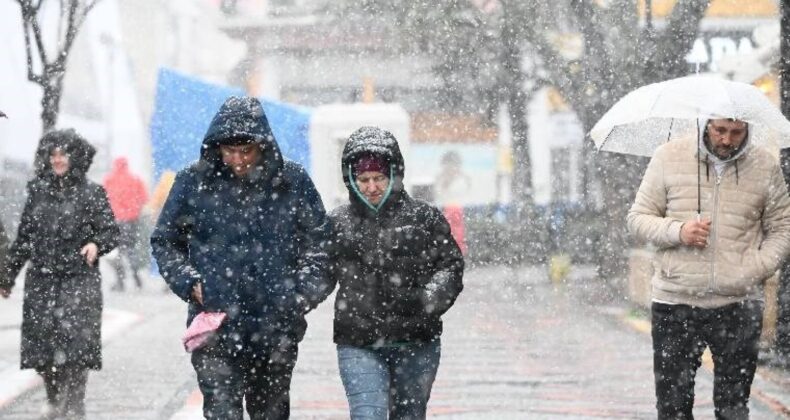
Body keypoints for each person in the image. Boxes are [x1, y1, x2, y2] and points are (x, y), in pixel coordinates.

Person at [151, 96, 333, 420]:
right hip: (215, 325)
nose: (237, 160)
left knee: (271, 413)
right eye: (229, 150)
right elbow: (165, 241)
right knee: (222, 412)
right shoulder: (192, 182)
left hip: (275, 328)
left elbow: (322, 246)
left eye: (246, 150)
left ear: (262, 145)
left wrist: (297, 296)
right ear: (216, 146)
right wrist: (190, 283)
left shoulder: (292, 182)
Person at [628, 118, 790, 419]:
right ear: (706, 124)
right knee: (673, 409)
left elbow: (783, 227)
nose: (727, 140)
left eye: (736, 132)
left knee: (733, 409)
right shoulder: (668, 156)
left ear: (747, 128)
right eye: (720, 131)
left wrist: (757, 267)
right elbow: (638, 219)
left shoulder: (765, 165)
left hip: (738, 303)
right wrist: (678, 231)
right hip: (676, 301)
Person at [328, 126, 464, 420]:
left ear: (393, 176)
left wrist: (429, 300)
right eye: (363, 179)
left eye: (379, 178)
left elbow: (450, 266)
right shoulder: (337, 224)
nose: (372, 187)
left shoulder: (424, 218)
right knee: (368, 415)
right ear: (351, 180)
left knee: (410, 415)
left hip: (416, 343)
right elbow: (316, 271)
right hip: (358, 343)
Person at [0, 129, 119, 420]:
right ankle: (54, 397)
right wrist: (7, 276)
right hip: (42, 280)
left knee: (76, 346)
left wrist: (96, 244)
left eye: (62, 154)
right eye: (52, 154)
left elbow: (110, 231)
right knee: (43, 347)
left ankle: (75, 401)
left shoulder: (92, 193)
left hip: (79, 279)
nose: (57, 160)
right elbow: (24, 239)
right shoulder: (37, 192)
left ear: (75, 156)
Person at [103, 157, 148, 291]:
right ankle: (135, 276)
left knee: (115, 252)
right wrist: (134, 208)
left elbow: (101, 200)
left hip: (114, 222)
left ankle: (120, 280)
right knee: (131, 250)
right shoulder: (135, 179)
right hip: (131, 221)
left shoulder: (108, 180)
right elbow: (144, 198)